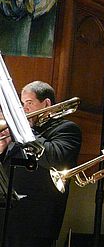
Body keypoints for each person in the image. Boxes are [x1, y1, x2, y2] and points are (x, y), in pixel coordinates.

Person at [0, 81, 82, 247]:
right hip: (7, 218)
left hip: (37, 221)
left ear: (46, 103)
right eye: (22, 104)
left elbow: (56, 158)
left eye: (29, 103)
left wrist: (25, 130)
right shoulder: (21, 133)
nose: (24, 109)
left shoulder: (67, 129)